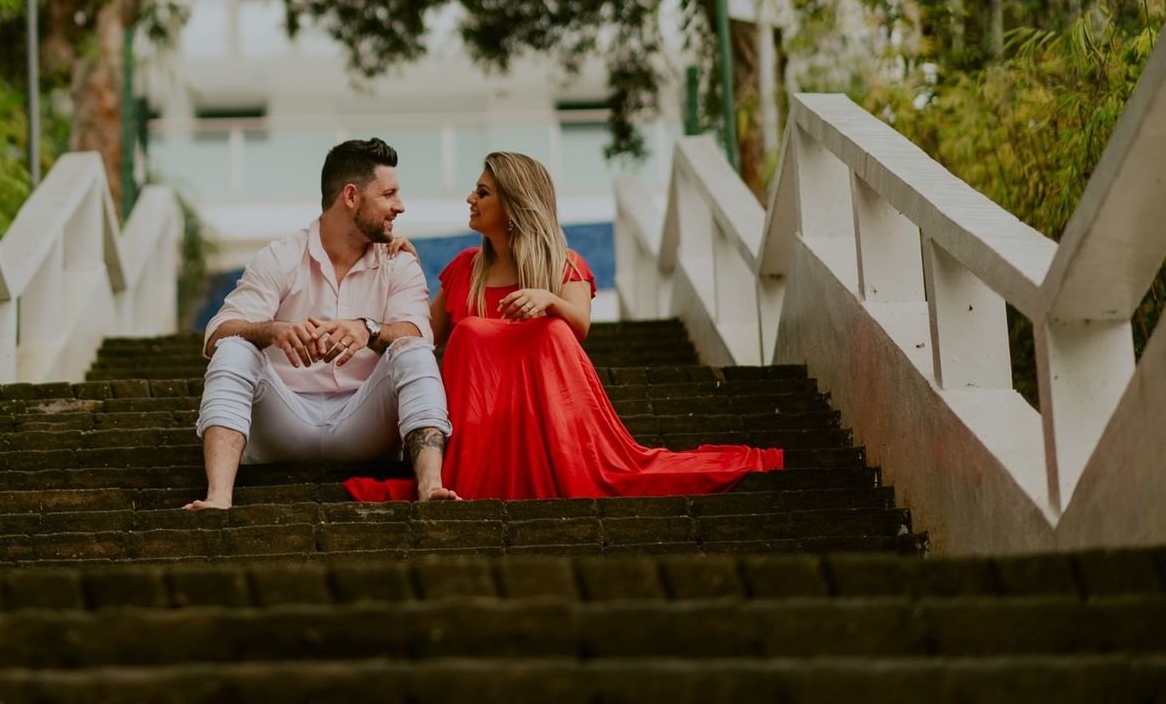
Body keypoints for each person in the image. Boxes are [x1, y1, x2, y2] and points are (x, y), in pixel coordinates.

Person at [347, 150, 782, 502]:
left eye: (483, 192)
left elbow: (579, 326)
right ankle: (456, 476)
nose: (470, 199)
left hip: (552, 427)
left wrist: (549, 300)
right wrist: (399, 264)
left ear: (514, 207)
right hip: (479, 434)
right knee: (470, 334)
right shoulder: (464, 269)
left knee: (552, 330)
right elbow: (422, 337)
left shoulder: (564, 266)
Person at [185, 138, 459, 509]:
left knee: (412, 351)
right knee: (234, 347)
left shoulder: (399, 262)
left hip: (366, 423)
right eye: (389, 194)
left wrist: (368, 330)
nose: (400, 206)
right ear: (351, 196)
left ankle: (431, 490)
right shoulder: (282, 255)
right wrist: (273, 331)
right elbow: (217, 333)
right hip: (285, 423)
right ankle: (218, 497)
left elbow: (419, 333)